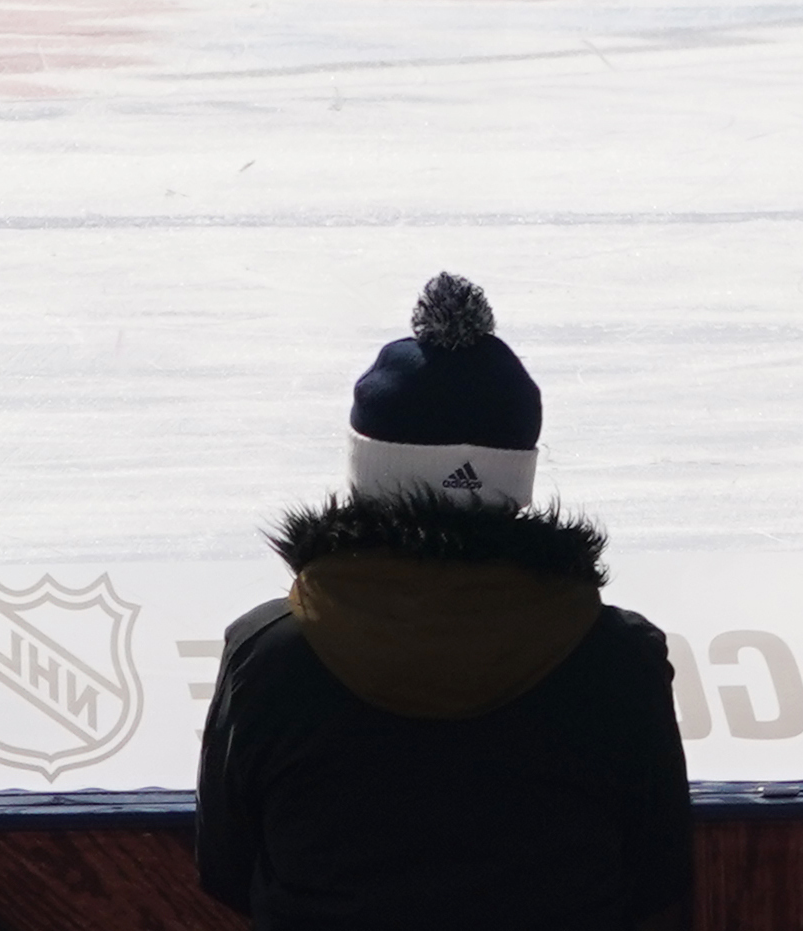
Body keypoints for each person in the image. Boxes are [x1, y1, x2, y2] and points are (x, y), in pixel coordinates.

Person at [196, 274, 689, 931]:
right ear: (518, 474)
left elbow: (227, 866)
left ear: (366, 469)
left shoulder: (268, 652)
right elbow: (657, 873)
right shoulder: (620, 657)